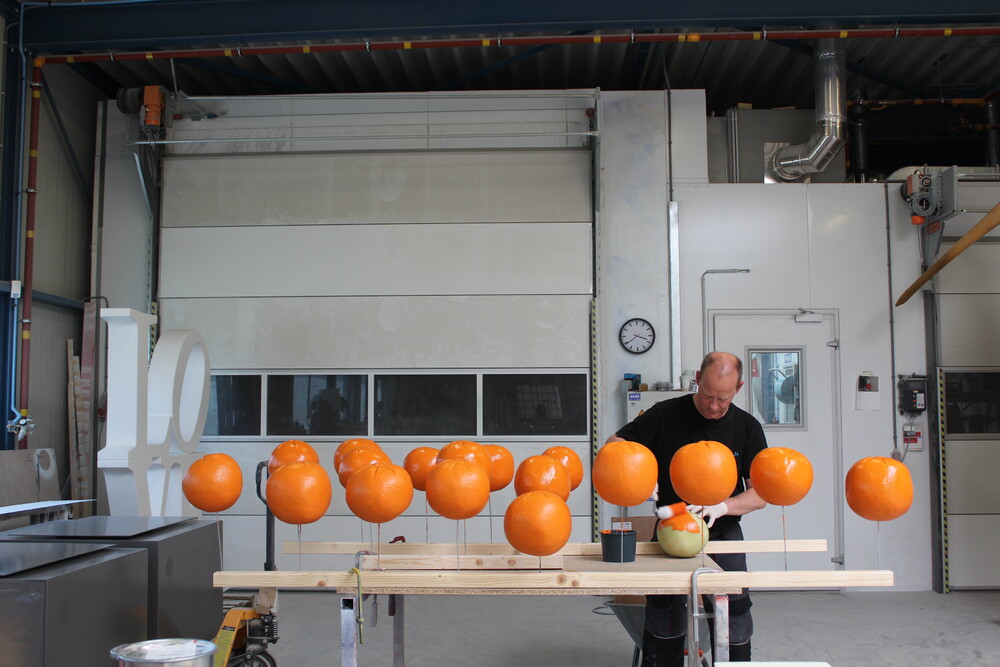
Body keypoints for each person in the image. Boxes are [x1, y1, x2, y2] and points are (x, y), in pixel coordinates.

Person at [606, 351, 767, 666]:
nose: (714, 406)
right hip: (671, 528)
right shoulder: (664, 415)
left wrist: (724, 506)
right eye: (708, 395)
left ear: (740, 388)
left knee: (734, 611)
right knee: (664, 611)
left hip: (723, 531)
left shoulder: (747, 428)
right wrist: (638, 476)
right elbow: (615, 444)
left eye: (723, 399)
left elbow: (761, 494)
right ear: (696, 379)